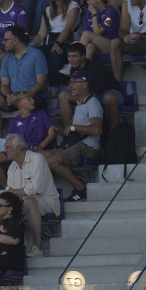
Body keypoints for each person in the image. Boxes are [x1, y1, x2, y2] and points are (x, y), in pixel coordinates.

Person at [43, 71, 101, 204]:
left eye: (75, 83)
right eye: (70, 83)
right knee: (38, 156)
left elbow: (96, 129)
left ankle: (80, 189)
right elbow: (75, 131)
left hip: (88, 146)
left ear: (85, 85)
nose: (70, 86)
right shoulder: (80, 103)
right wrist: (61, 132)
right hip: (77, 142)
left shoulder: (93, 104)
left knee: (51, 161)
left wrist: (74, 127)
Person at [0, 89, 56, 187]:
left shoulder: (41, 114)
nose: (33, 101)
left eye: (32, 98)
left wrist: (41, 146)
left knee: (32, 156)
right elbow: (10, 141)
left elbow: (53, 132)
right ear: (20, 104)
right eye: (28, 99)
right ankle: (8, 190)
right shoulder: (14, 122)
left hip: (36, 151)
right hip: (19, 151)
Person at [0, 26, 50, 121]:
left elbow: (41, 83)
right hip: (14, 98)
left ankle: (19, 133)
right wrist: (8, 95)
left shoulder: (37, 55)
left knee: (23, 103)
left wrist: (23, 96)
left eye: (6, 40)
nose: (2, 43)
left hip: (33, 97)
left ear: (16, 40)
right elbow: (4, 84)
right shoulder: (7, 59)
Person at [57, 43, 122, 131]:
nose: (71, 60)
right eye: (69, 56)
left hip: (109, 92)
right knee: (63, 95)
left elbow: (93, 94)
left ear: (83, 56)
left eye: (74, 56)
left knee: (109, 98)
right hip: (91, 95)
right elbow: (74, 89)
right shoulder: (74, 68)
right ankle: (69, 131)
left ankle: (112, 134)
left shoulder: (95, 68)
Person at [32, 0, 80, 75]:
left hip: (68, 43)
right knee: (36, 54)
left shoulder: (73, 7)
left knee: (55, 55)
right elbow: (41, 34)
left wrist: (57, 43)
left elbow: (68, 29)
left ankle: (54, 86)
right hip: (51, 43)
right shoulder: (47, 10)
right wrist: (32, 45)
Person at [80, 0, 122, 78]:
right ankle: (85, 75)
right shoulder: (89, 12)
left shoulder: (111, 12)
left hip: (109, 45)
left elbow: (98, 32)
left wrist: (94, 14)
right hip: (96, 45)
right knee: (89, 47)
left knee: (87, 35)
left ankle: (74, 63)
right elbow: (86, 31)